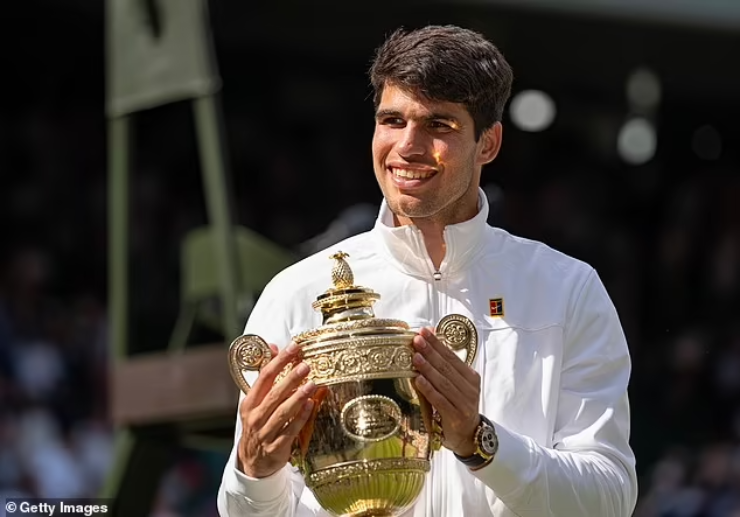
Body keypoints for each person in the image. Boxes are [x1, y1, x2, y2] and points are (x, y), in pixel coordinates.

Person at [217, 24, 637, 516]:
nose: (408, 146)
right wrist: (254, 472)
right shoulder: (298, 291)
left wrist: (480, 442)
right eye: (392, 120)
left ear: (488, 143)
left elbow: (610, 499)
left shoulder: (567, 289)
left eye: (439, 125)